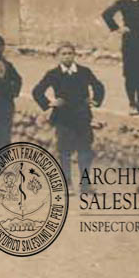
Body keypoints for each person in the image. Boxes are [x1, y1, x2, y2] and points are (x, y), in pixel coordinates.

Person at [31, 42, 106, 189]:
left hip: (82, 116)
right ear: (58, 56)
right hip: (63, 118)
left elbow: (98, 86)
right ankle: (67, 183)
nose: (67, 56)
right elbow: (37, 91)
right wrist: (50, 103)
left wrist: (96, 100)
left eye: (70, 53)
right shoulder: (53, 74)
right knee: (65, 151)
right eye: (63, 54)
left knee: (85, 151)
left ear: (74, 55)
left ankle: (85, 185)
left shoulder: (84, 71)